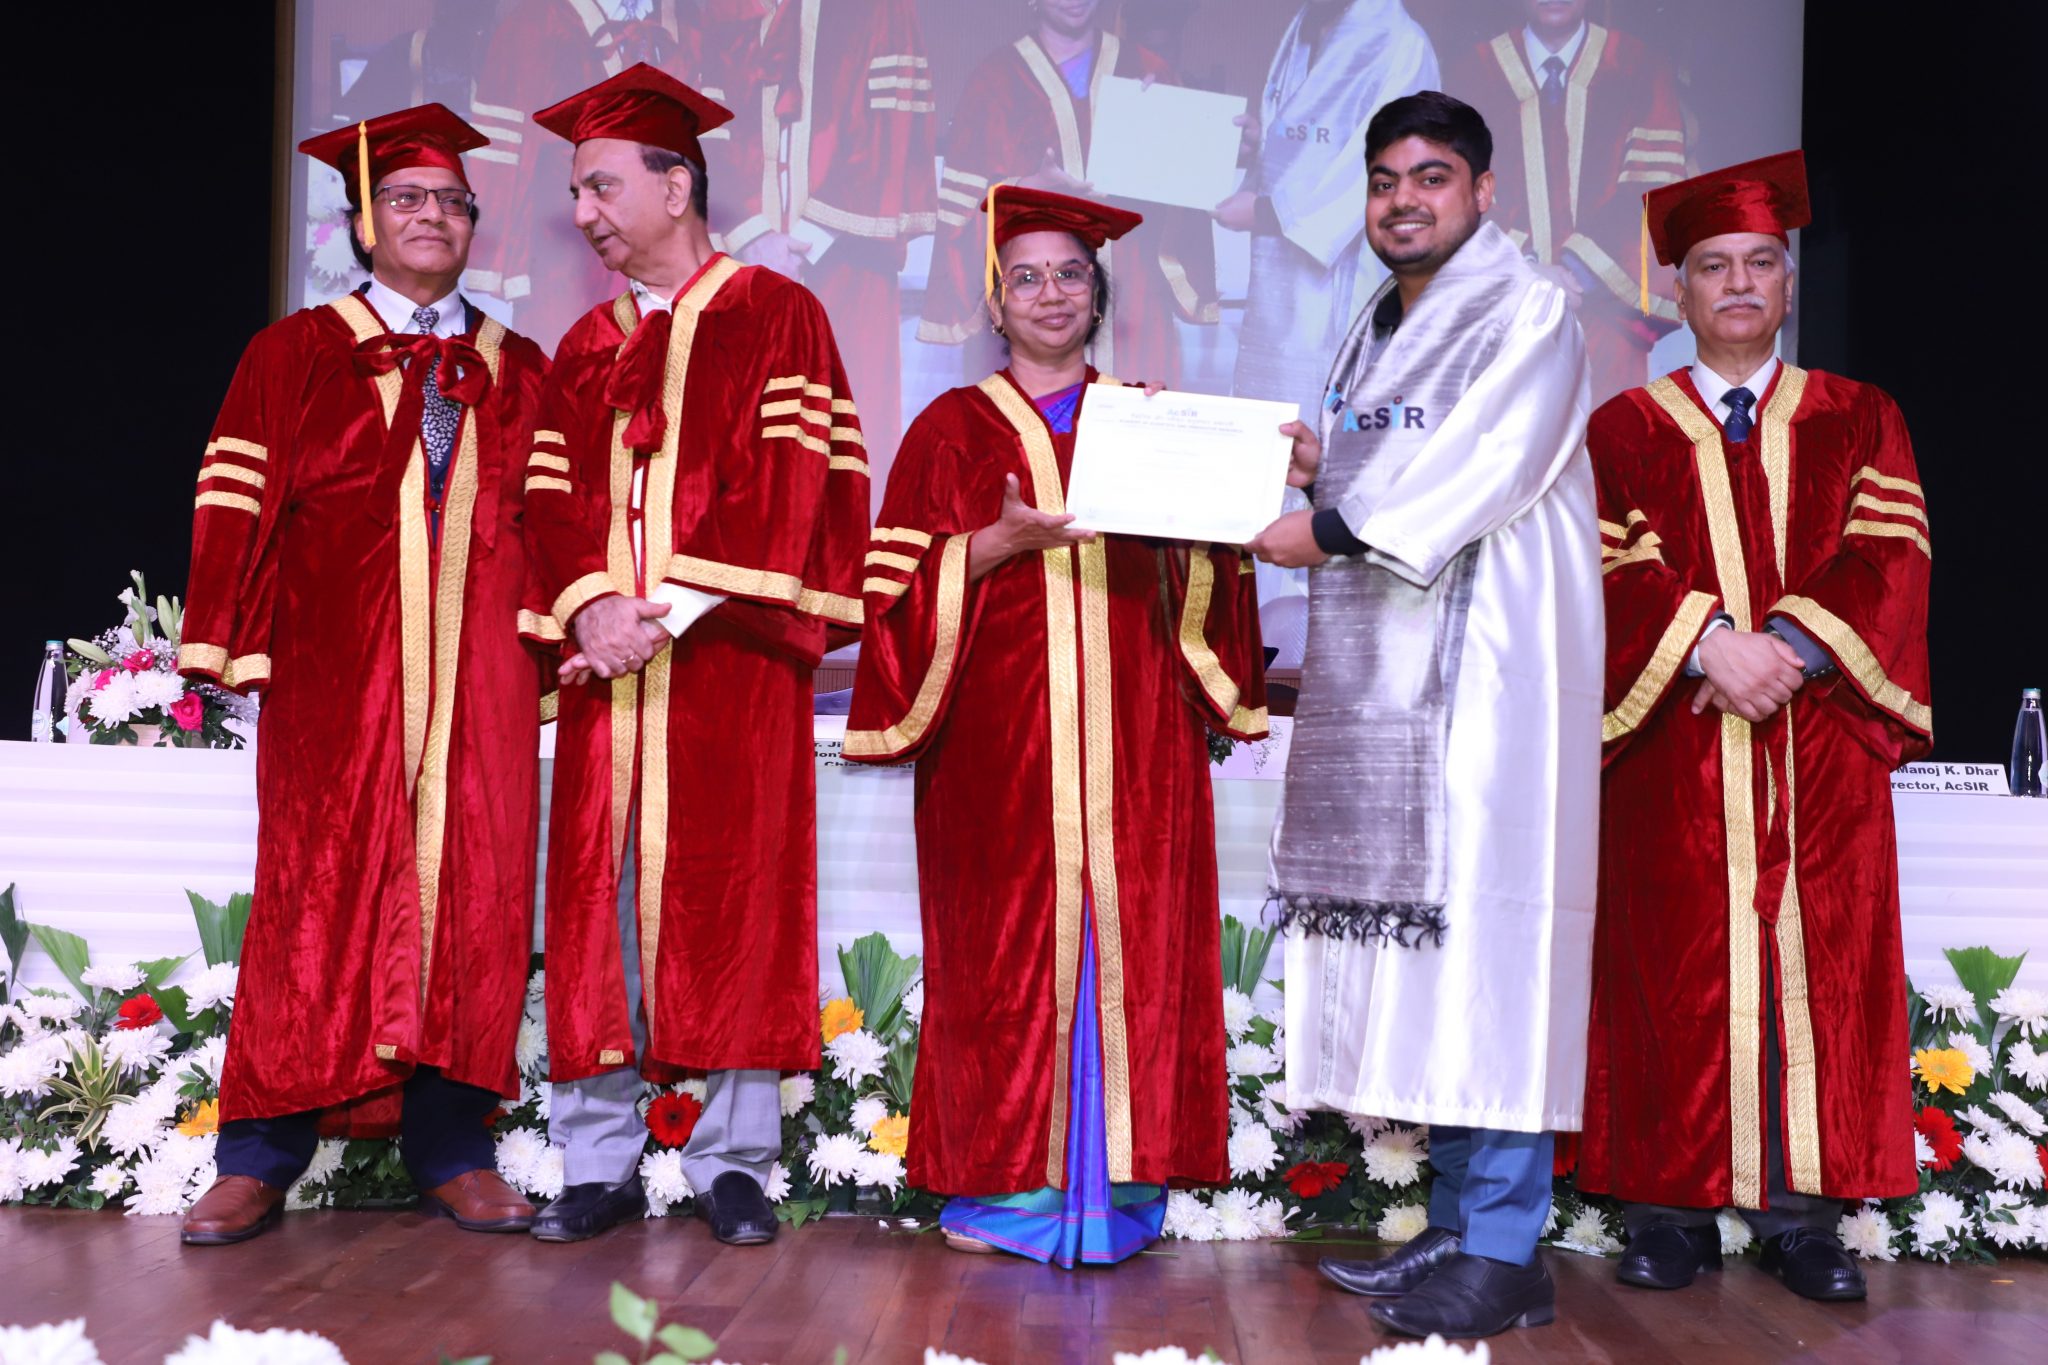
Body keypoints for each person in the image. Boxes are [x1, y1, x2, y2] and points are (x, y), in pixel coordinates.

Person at [846, 185, 1265, 1266]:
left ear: (1098, 293)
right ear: (995, 302)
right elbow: (888, 593)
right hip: (998, 751)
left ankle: (1121, 1190)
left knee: (1134, 949)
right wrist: (992, 544)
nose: (1049, 293)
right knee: (1003, 959)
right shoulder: (949, 429)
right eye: (1024, 277)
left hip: (1137, 740)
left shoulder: (1148, 419)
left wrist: (1202, 485)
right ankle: (1005, 1191)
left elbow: (1215, 576)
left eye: (1070, 274)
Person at [1246, 91, 1601, 1338]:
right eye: (1384, 179)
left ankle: (1504, 1253)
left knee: (1495, 946)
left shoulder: (1526, 306)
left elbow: (1486, 461)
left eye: (1430, 177)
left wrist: (1330, 523)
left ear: (1482, 191)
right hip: (1392, 677)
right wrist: (1318, 473)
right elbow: (1393, 465)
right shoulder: (1380, 320)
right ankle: (1458, 1227)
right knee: (1439, 959)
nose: (1403, 200)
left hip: (1488, 671)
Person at [177, 105, 552, 1244]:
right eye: (405, 199)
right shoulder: (293, 350)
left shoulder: (520, 365)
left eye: (451, 202)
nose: (431, 215)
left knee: (474, 898)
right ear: (361, 224)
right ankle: (259, 1155)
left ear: (473, 224)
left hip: (479, 673)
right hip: (335, 673)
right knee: (315, 896)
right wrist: (228, 639)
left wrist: (548, 650)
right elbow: (235, 494)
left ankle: (452, 1147)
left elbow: (555, 517)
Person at [517, 63, 870, 1246]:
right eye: (576, 191)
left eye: (602, 186)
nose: (583, 212)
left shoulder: (778, 314)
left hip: (729, 660)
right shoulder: (584, 343)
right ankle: (597, 1161)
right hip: (605, 673)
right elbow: (549, 500)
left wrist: (658, 611)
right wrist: (587, 608)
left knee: (736, 898)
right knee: (595, 908)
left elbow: (793, 487)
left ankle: (733, 1162)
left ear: (676, 187)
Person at [1577, 150, 1929, 1303]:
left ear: (1786, 283)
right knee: (1667, 965)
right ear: (1675, 290)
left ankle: (1801, 1217)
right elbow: (1605, 568)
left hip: (1815, 741)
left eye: (1758, 263)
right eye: (1711, 265)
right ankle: (1665, 1209)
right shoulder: (1622, 427)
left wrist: (1783, 649)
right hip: (1672, 744)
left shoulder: (1857, 416)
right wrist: (1705, 643)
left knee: (1813, 965)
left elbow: (1887, 557)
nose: (1736, 283)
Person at [1213, 0, 1437, 669]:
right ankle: (1268, 647)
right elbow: (1312, 142)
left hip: (1344, 279)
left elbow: (1384, 170)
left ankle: (1335, 651)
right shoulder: (1306, 24)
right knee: (1275, 448)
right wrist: (1262, 145)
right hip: (1285, 285)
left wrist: (1273, 211)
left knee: (1337, 446)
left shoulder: (1394, 39)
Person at [699, 0, 938, 509]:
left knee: (847, 431)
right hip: (736, 257)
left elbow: (887, 133)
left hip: (848, 258)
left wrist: (806, 241)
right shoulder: (727, 8)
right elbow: (707, 129)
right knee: (733, 433)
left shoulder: (882, 9)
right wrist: (750, 233)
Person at [916, 0, 1217, 387]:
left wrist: (1193, 132)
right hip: (1033, 297)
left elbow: (1186, 186)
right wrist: (1028, 187)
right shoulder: (995, 80)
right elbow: (963, 208)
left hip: (1132, 296)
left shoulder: (1147, 70)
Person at [1443, 0, 1687, 403]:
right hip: (1507, 313)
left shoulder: (1638, 66)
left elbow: (1654, 188)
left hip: (1608, 318)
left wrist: (1573, 274)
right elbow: (1455, 192)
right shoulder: (1473, 73)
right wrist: (1526, 268)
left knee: (1608, 434)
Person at [466, 0, 706, 351]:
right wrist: (494, 277)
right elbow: (498, 162)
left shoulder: (684, 25)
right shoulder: (534, 27)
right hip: (567, 268)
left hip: (666, 267)